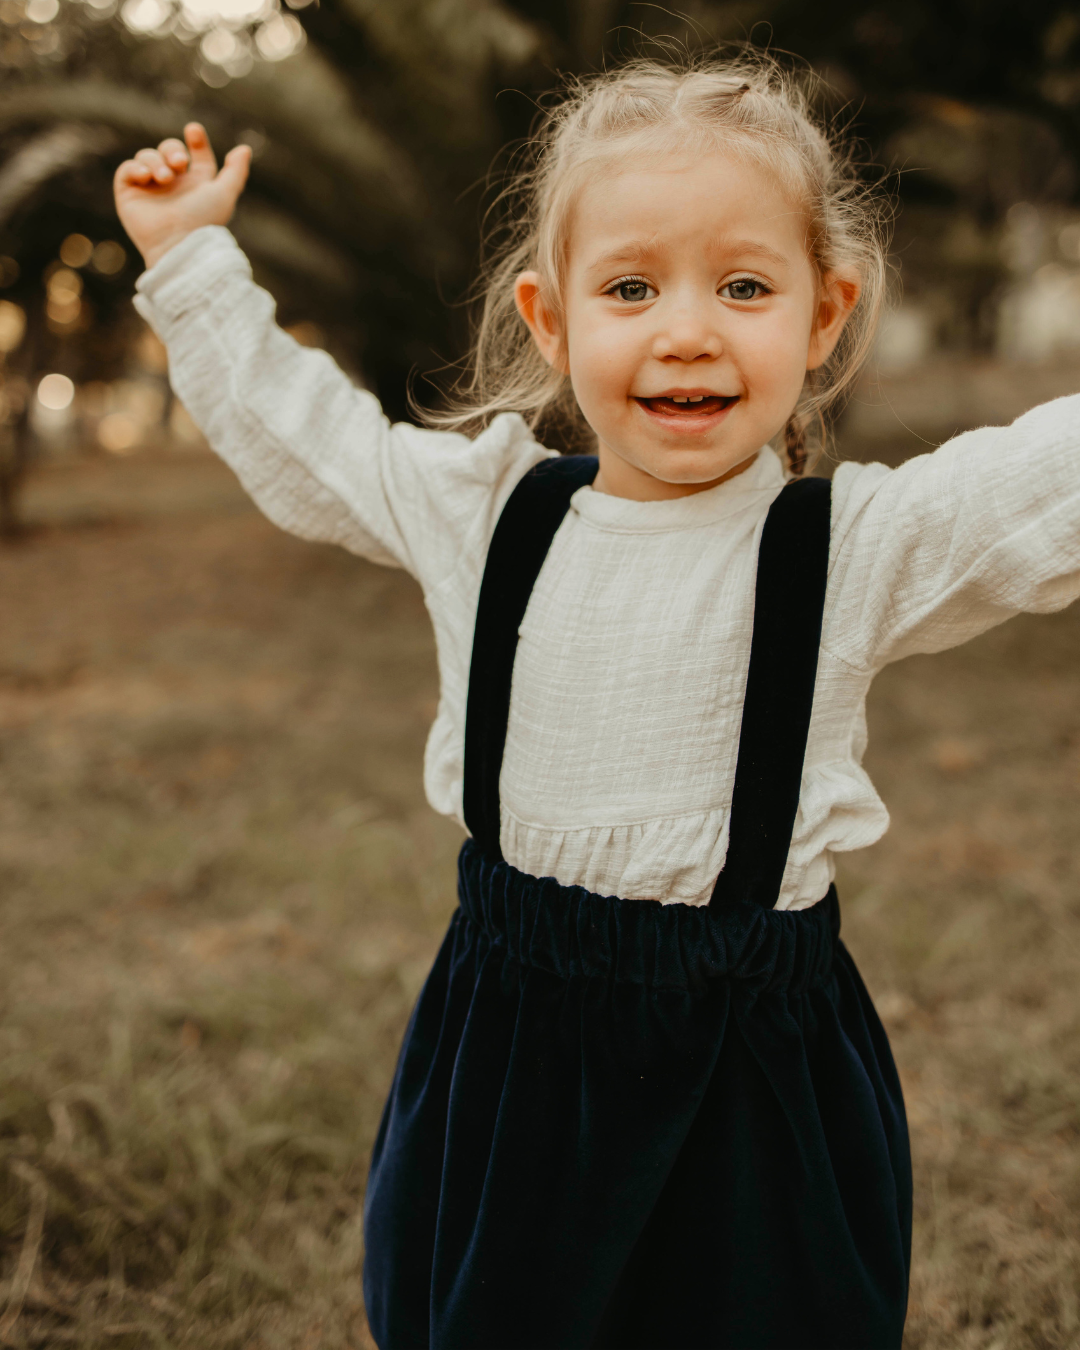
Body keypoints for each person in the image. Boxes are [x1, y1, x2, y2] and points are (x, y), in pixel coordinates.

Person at [114, 54, 1080, 1350]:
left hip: (749, 1068)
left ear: (824, 316)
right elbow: (305, 438)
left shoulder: (848, 548)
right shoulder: (485, 515)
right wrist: (191, 264)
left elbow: (1032, 490)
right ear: (554, 321)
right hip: (518, 1048)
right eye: (631, 287)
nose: (688, 328)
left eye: (745, 286)